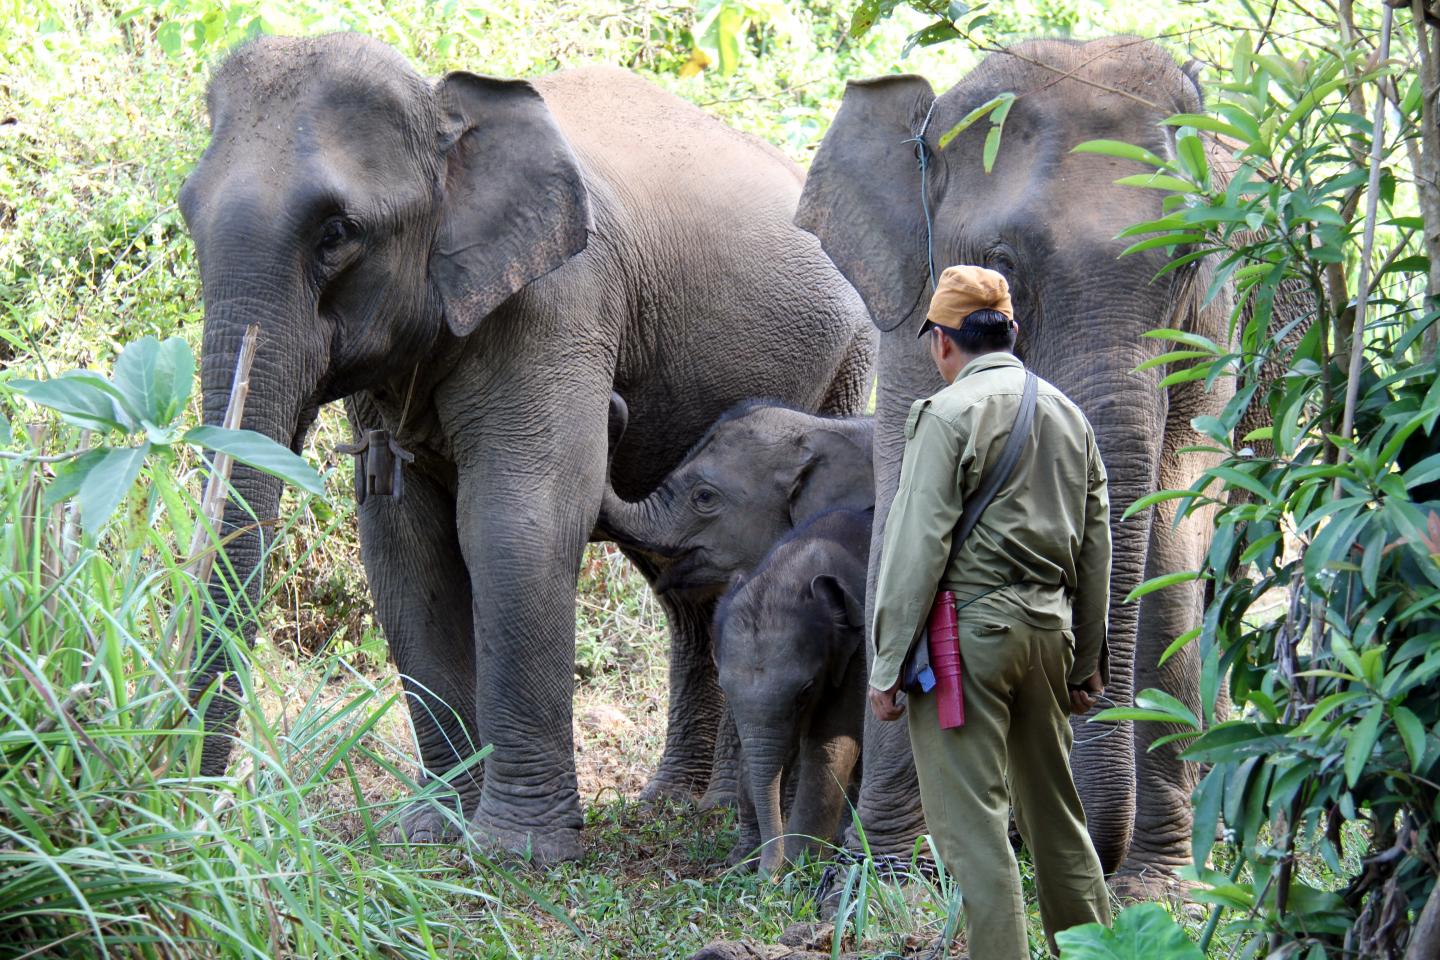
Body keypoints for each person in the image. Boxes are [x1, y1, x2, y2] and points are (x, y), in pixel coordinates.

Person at [867, 264, 1112, 958]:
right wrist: (1086, 660)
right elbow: (1098, 550)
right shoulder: (1069, 415)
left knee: (973, 834)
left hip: (966, 645)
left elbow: (916, 546)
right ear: (1014, 332)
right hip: (1049, 638)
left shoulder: (946, 414)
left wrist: (887, 664)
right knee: (1058, 822)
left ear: (943, 343)